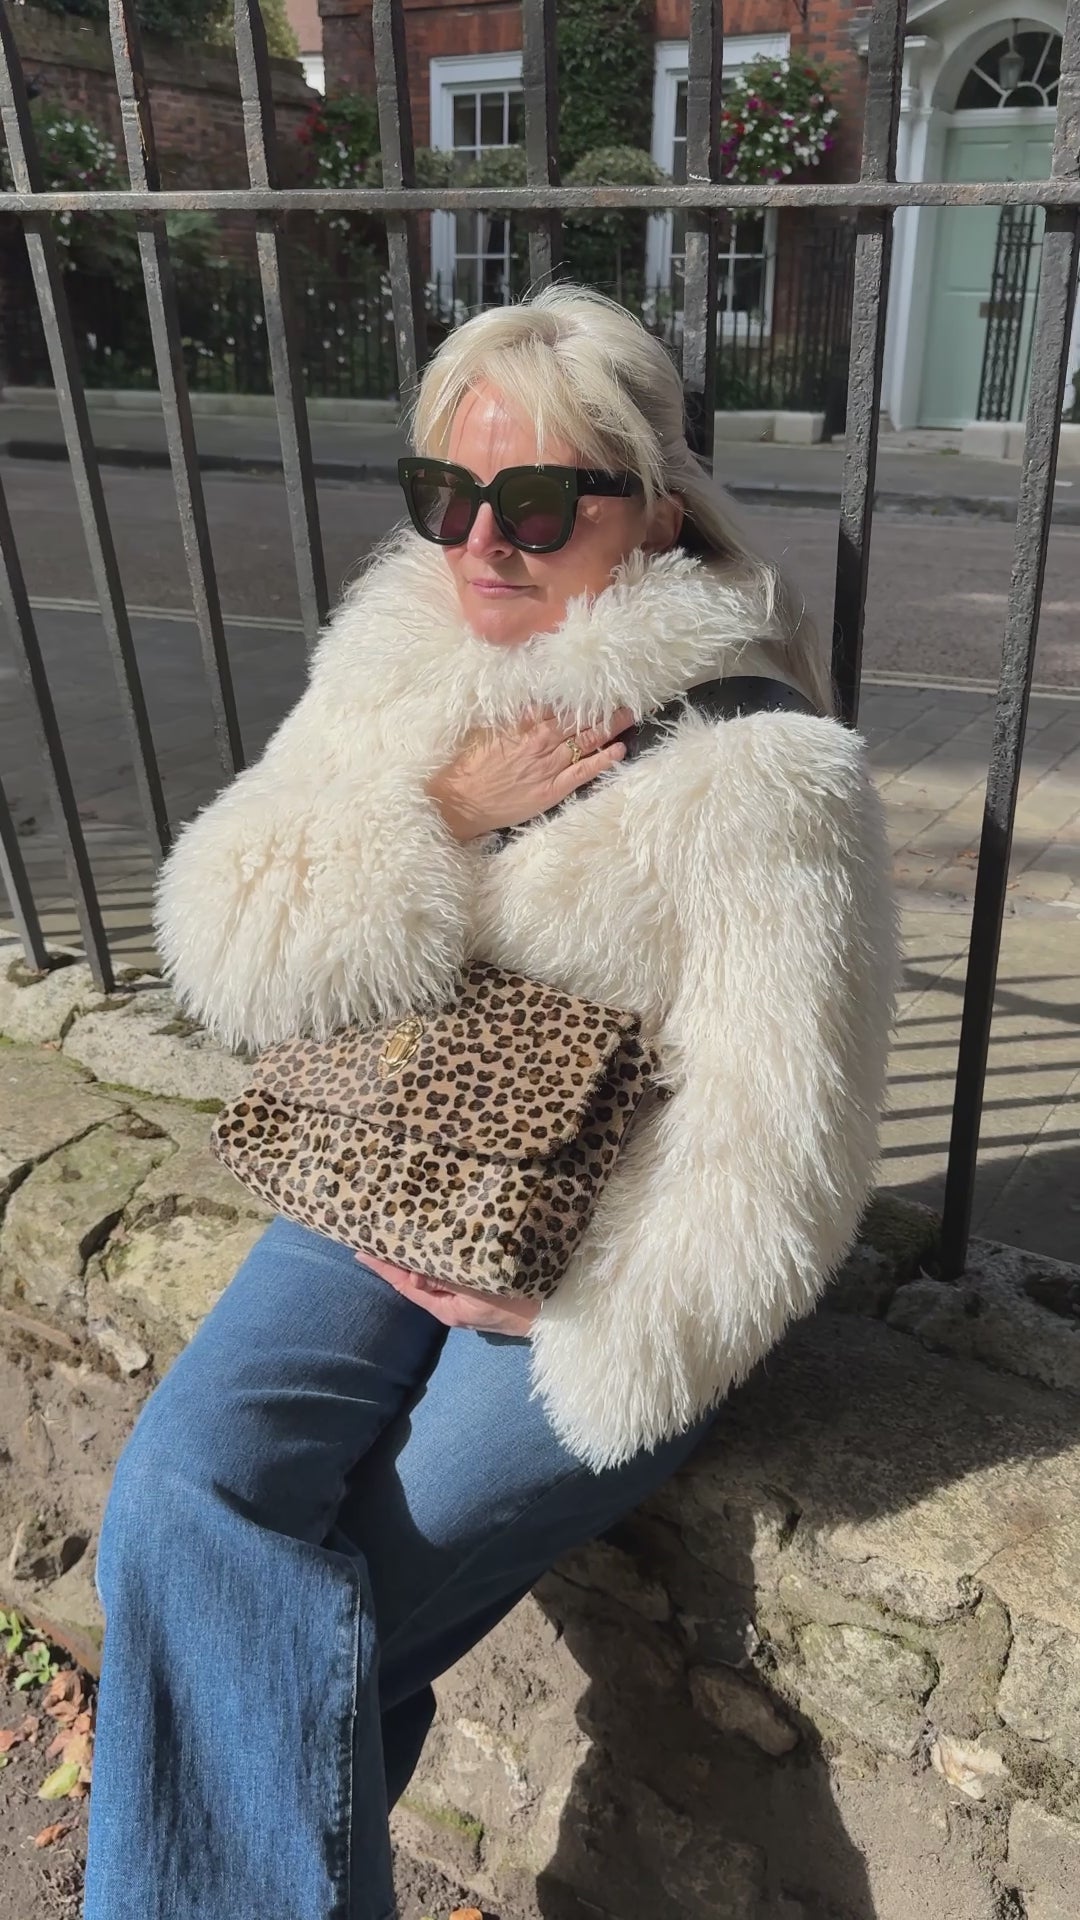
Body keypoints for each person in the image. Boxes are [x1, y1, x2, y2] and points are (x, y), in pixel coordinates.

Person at [83, 285, 898, 1920]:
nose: (480, 546)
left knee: (313, 1628)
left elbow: (784, 1155)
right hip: (385, 1181)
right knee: (179, 1501)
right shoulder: (396, 660)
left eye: (533, 504)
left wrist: (566, 1311)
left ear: (652, 508)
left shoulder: (763, 772)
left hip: (605, 1274)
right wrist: (432, 822)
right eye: (445, 498)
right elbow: (225, 940)